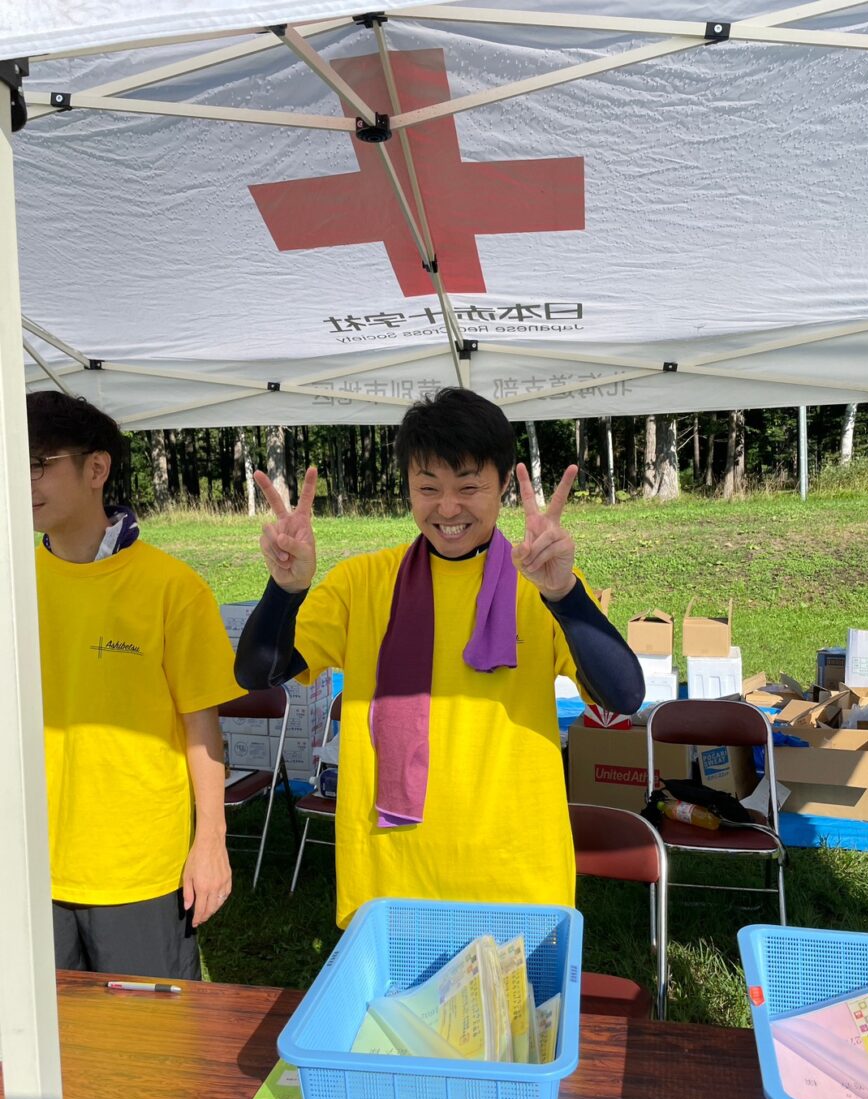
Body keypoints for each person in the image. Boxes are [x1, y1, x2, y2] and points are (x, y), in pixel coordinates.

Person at [236, 388, 644, 928]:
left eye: (469, 487)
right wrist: (285, 590)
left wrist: (566, 596)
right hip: (392, 875)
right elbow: (256, 672)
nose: (447, 509)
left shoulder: (540, 587)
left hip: (517, 874)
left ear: (504, 484)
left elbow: (624, 695)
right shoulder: (362, 584)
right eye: (428, 488)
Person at [28, 390, 243, 979]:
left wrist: (211, 840)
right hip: (31, 863)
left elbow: (202, 725)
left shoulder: (173, 588)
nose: (24, 480)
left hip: (139, 867)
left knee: (147, 1031)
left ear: (96, 468)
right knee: (49, 1032)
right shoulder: (14, 583)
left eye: (39, 463)